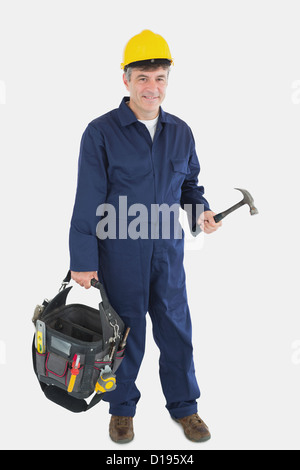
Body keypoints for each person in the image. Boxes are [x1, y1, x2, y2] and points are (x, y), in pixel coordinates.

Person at [69, 29, 222, 444]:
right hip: (118, 250)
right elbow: (88, 200)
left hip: (167, 251)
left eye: (159, 78)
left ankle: (185, 409)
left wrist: (200, 211)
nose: (151, 88)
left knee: (176, 330)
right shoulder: (100, 132)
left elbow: (189, 186)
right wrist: (83, 259)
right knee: (125, 334)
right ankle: (122, 410)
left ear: (167, 81)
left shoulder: (181, 132)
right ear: (126, 80)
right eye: (142, 78)